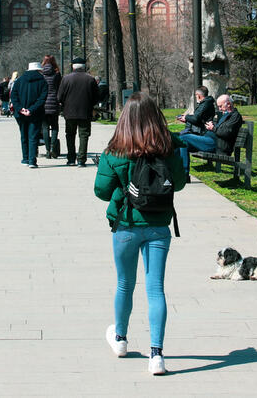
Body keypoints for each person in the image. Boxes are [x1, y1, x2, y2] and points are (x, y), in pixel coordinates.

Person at [94, 91, 187, 376]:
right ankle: (156, 354)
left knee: (125, 284)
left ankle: (120, 338)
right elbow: (179, 183)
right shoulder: (169, 147)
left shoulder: (115, 150)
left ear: (125, 119)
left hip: (126, 225)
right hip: (159, 226)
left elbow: (101, 191)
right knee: (155, 289)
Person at [176, 94, 243, 176]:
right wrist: (212, 126)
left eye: (221, 106)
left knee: (183, 137)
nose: (219, 109)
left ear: (228, 104)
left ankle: (182, 174)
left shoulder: (235, 116)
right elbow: (220, 129)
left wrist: (213, 128)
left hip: (217, 145)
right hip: (210, 140)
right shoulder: (226, 115)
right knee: (181, 143)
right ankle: (181, 174)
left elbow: (226, 133)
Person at [57, 57, 101, 166]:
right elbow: (96, 97)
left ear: (73, 66)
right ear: (84, 66)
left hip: (69, 112)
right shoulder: (90, 79)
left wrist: (65, 105)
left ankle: (71, 159)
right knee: (84, 135)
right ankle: (81, 159)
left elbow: (59, 97)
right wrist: (90, 104)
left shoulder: (66, 79)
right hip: (85, 112)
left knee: (70, 135)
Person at [9, 61, 48, 168]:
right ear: (39, 70)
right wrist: (31, 110)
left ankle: (25, 158)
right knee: (33, 136)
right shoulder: (43, 82)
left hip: (20, 114)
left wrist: (20, 109)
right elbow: (42, 99)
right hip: (36, 113)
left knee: (24, 135)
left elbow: (13, 96)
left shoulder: (19, 81)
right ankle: (32, 160)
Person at [39, 55, 63, 159]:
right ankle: (53, 147)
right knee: (54, 127)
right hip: (54, 103)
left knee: (45, 127)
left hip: (44, 103)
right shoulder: (56, 74)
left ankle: (47, 150)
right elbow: (60, 88)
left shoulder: (41, 74)